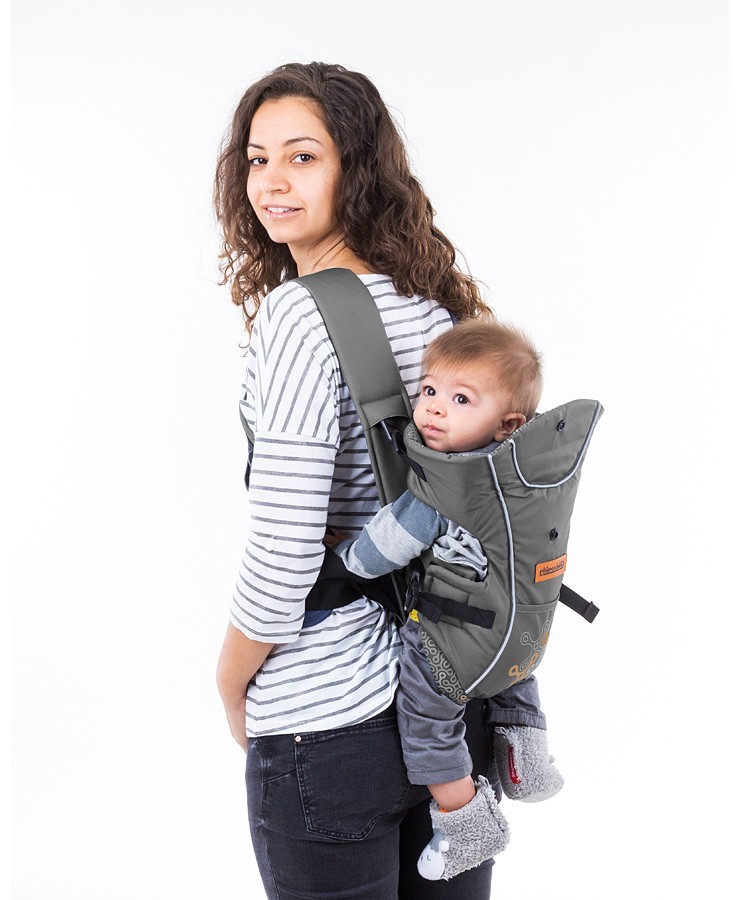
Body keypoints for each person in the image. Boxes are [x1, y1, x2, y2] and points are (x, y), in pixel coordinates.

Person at [213, 62, 500, 898]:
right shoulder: (436, 307)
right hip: (449, 709)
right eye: (258, 159)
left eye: (302, 157)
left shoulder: (298, 316)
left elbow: (285, 555)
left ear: (357, 169)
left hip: (329, 723)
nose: (271, 182)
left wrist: (230, 684)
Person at [324, 319, 564, 881]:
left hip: (453, 643)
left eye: (460, 399)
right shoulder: (524, 475)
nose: (433, 408)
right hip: (520, 632)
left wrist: (339, 558)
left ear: (508, 424)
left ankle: (468, 823)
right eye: (429, 389)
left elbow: (380, 551)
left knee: (426, 717)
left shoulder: (443, 485)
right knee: (511, 672)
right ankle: (528, 761)